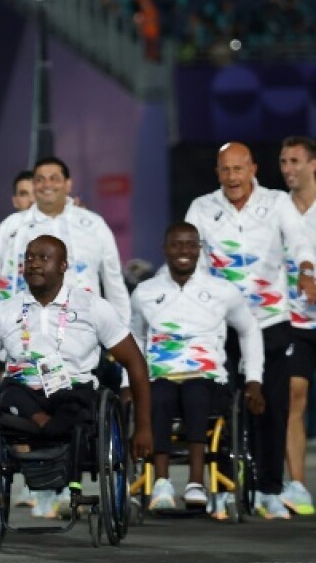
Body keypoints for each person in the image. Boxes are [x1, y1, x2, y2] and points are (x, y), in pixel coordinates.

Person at [185, 142, 316, 519]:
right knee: (221, 409)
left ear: (253, 169)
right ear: (217, 173)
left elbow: (299, 241)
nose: (232, 178)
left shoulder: (276, 203)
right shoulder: (202, 207)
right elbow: (189, 254)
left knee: (273, 407)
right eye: (225, 170)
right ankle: (223, 489)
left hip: (270, 321)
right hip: (221, 325)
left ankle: (269, 490)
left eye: (238, 169)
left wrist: (306, 270)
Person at [0, 235, 153, 518]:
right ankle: (41, 428)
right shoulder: (2, 312)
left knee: (77, 405)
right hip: (23, 392)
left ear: (63, 266)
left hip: (70, 390)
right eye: (29, 257)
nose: (34, 264)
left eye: (43, 258)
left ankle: (52, 464)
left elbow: (135, 363)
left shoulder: (92, 307)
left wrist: (144, 426)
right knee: (8, 392)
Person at [130, 222, 265, 515]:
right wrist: (129, 384)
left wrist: (253, 379)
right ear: (165, 249)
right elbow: (135, 339)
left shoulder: (221, 290)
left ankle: (195, 483)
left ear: (199, 250)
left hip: (207, 378)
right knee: (160, 395)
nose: (184, 251)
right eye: (177, 244)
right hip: (161, 375)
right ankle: (162, 483)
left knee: (195, 393)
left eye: (191, 244)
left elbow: (250, 330)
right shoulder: (145, 292)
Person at [0, 157, 130, 323]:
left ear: (68, 184)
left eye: (54, 179)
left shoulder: (93, 225)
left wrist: (122, 331)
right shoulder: (11, 226)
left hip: (82, 329)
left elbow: (114, 283)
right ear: (34, 185)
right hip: (17, 330)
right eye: (40, 180)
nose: (47, 185)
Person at [280, 135, 316, 514]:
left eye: (295, 161)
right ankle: (298, 486)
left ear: (313, 164)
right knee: (294, 396)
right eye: (283, 162)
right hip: (295, 321)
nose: (288, 169)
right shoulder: (278, 210)